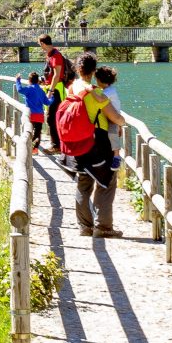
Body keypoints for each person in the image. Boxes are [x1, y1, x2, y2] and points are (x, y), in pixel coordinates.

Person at [62, 56, 129, 238]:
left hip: (77, 142)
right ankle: (103, 227)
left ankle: (85, 226)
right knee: (106, 183)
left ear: (77, 69)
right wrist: (122, 122)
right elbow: (115, 117)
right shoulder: (95, 93)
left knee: (83, 184)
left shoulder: (72, 88)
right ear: (94, 72)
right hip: (97, 144)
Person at [39, 35, 71, 156]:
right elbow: (51, 74)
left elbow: (57, 75)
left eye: (40, 45)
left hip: (56, 90)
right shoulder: (50, 55)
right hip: (51, 88)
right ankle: (57, 144)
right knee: (51, 117)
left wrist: (51, 91)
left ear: (43, 43)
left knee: (52, 117)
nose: (40, 47)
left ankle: (56, 146)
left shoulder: (56, 55)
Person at [17, 72, 49, 153]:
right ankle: (35, 149)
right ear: (38, 80)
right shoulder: (41, 91)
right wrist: (52, 98)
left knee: (28, 130)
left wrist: (18, 80)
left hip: (30, 114)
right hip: (40, 115)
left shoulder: (29, 89)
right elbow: (47, 102)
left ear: (29, 80)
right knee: (37, 132)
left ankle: (28, 146)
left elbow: (19, 89)